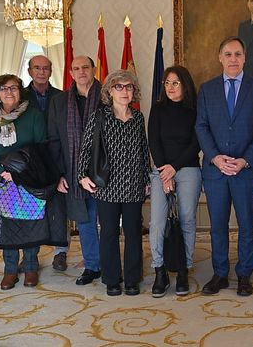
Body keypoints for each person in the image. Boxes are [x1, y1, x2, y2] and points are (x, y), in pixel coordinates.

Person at [195, 36, 253, 297]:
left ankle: (244, 274)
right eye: (228, 54)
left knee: (247, 224)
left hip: (244, 170)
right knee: (218, 225)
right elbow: (201, 127)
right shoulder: (206, 89)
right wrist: (215, 157)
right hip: (216, 171)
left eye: (238, 54)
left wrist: (245, 160)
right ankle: (220, 274)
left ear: (245, 58)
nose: (233, 59)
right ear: (220, 57)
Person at [78, 70, 150, 297]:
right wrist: (82, 175)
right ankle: (111, 279)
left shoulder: (138, 118)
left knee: (133, 233)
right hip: (106, 186)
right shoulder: (99, 116)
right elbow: (86, 148)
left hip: (133, 185)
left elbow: (143, 150)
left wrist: (146, 179)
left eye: (128, 87)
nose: (125, 91)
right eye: (119, 87)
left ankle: (131, 279)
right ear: (110, 90)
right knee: (108, 232)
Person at [0, 74, 48, 290]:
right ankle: (10, 270)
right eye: (4, 88)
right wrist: (2, 171)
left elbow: (40, 148)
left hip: (28, 178)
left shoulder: (34, 116)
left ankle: (30, 267)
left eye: (14, 88)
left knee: (30, 224)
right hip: (3, 180)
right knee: (6, 226)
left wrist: (19, 171)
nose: (9, 92)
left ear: (20, 91)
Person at [47, 55, 102, 286]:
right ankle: (93, 265)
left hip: (105, 170)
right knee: (85, 220)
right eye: (76, 68)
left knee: (109, 220)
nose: (81, 72)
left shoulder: (107, 96)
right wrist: (59, 174)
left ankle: (111, 263)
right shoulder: (59, 102)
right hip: (73, 172)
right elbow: (54, 140)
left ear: (94, 69)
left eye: (85, 67)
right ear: (70, 73)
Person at [148, 65, 202, 297]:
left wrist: (174, 168)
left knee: (187, 219)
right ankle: (160, 270)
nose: (170, 87)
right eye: (167, 83)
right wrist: (164, 172)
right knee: (158, 221)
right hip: (161, 170)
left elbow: (196, 143)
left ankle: (183, 270)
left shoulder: (196, 110)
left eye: (175, 83)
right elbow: (154, 141)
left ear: (185, 85)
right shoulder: (158, 109)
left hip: (188, 168)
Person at [25, 54, 67, 271]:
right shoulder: (19, 95)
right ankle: (30, 254)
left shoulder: (62, 96)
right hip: (30, 161)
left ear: (51, 71)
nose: (41, 72)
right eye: (37, 68)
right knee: (31, 208)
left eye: (46, 68)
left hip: (56, 158)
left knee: (58, 207)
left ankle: (60, 253)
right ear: (29, 71)